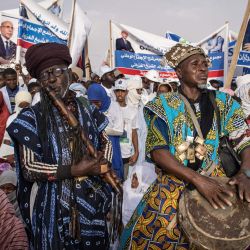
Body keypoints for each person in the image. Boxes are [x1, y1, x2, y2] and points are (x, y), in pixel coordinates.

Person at [119, 43, 250, 249]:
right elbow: (159, 152)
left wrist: (245, 173)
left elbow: (243, 139)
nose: (203, 68)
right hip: (175, 182)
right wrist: (199, 181)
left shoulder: (223, 102)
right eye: (195, 64)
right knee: (150, 236)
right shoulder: (162, 105)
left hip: (217, 180)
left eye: (205, 64)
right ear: (179, 72)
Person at [7, 43, 115, 249]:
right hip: (54, 208)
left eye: (57, 71)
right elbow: (30, 168)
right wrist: (74, 170)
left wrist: (102, 163)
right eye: (44, 75)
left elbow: (105, 142)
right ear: (38, 82)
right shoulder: (31, 117)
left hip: (93, 205)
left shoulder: (87, 109)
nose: (51, 79)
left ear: (68, 72)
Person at [87, 83, 124, 179]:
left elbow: (119, 130)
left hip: (112, 143)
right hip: (96, 147)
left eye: (97, 102)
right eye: (92, 102)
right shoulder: (88, 108)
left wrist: (100, 130)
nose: (95, 105)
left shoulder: (114, 106)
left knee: (113, 174)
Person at [114, 79, 139, 179]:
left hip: (126, 153)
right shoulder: (110, 108)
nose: (120, 94)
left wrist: (136, 152)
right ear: (114, 92)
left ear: (127, 92)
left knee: (124, 183)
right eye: (118, 91)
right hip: (113, 153)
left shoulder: (133, 110)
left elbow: (134, 132)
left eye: (122, 91)